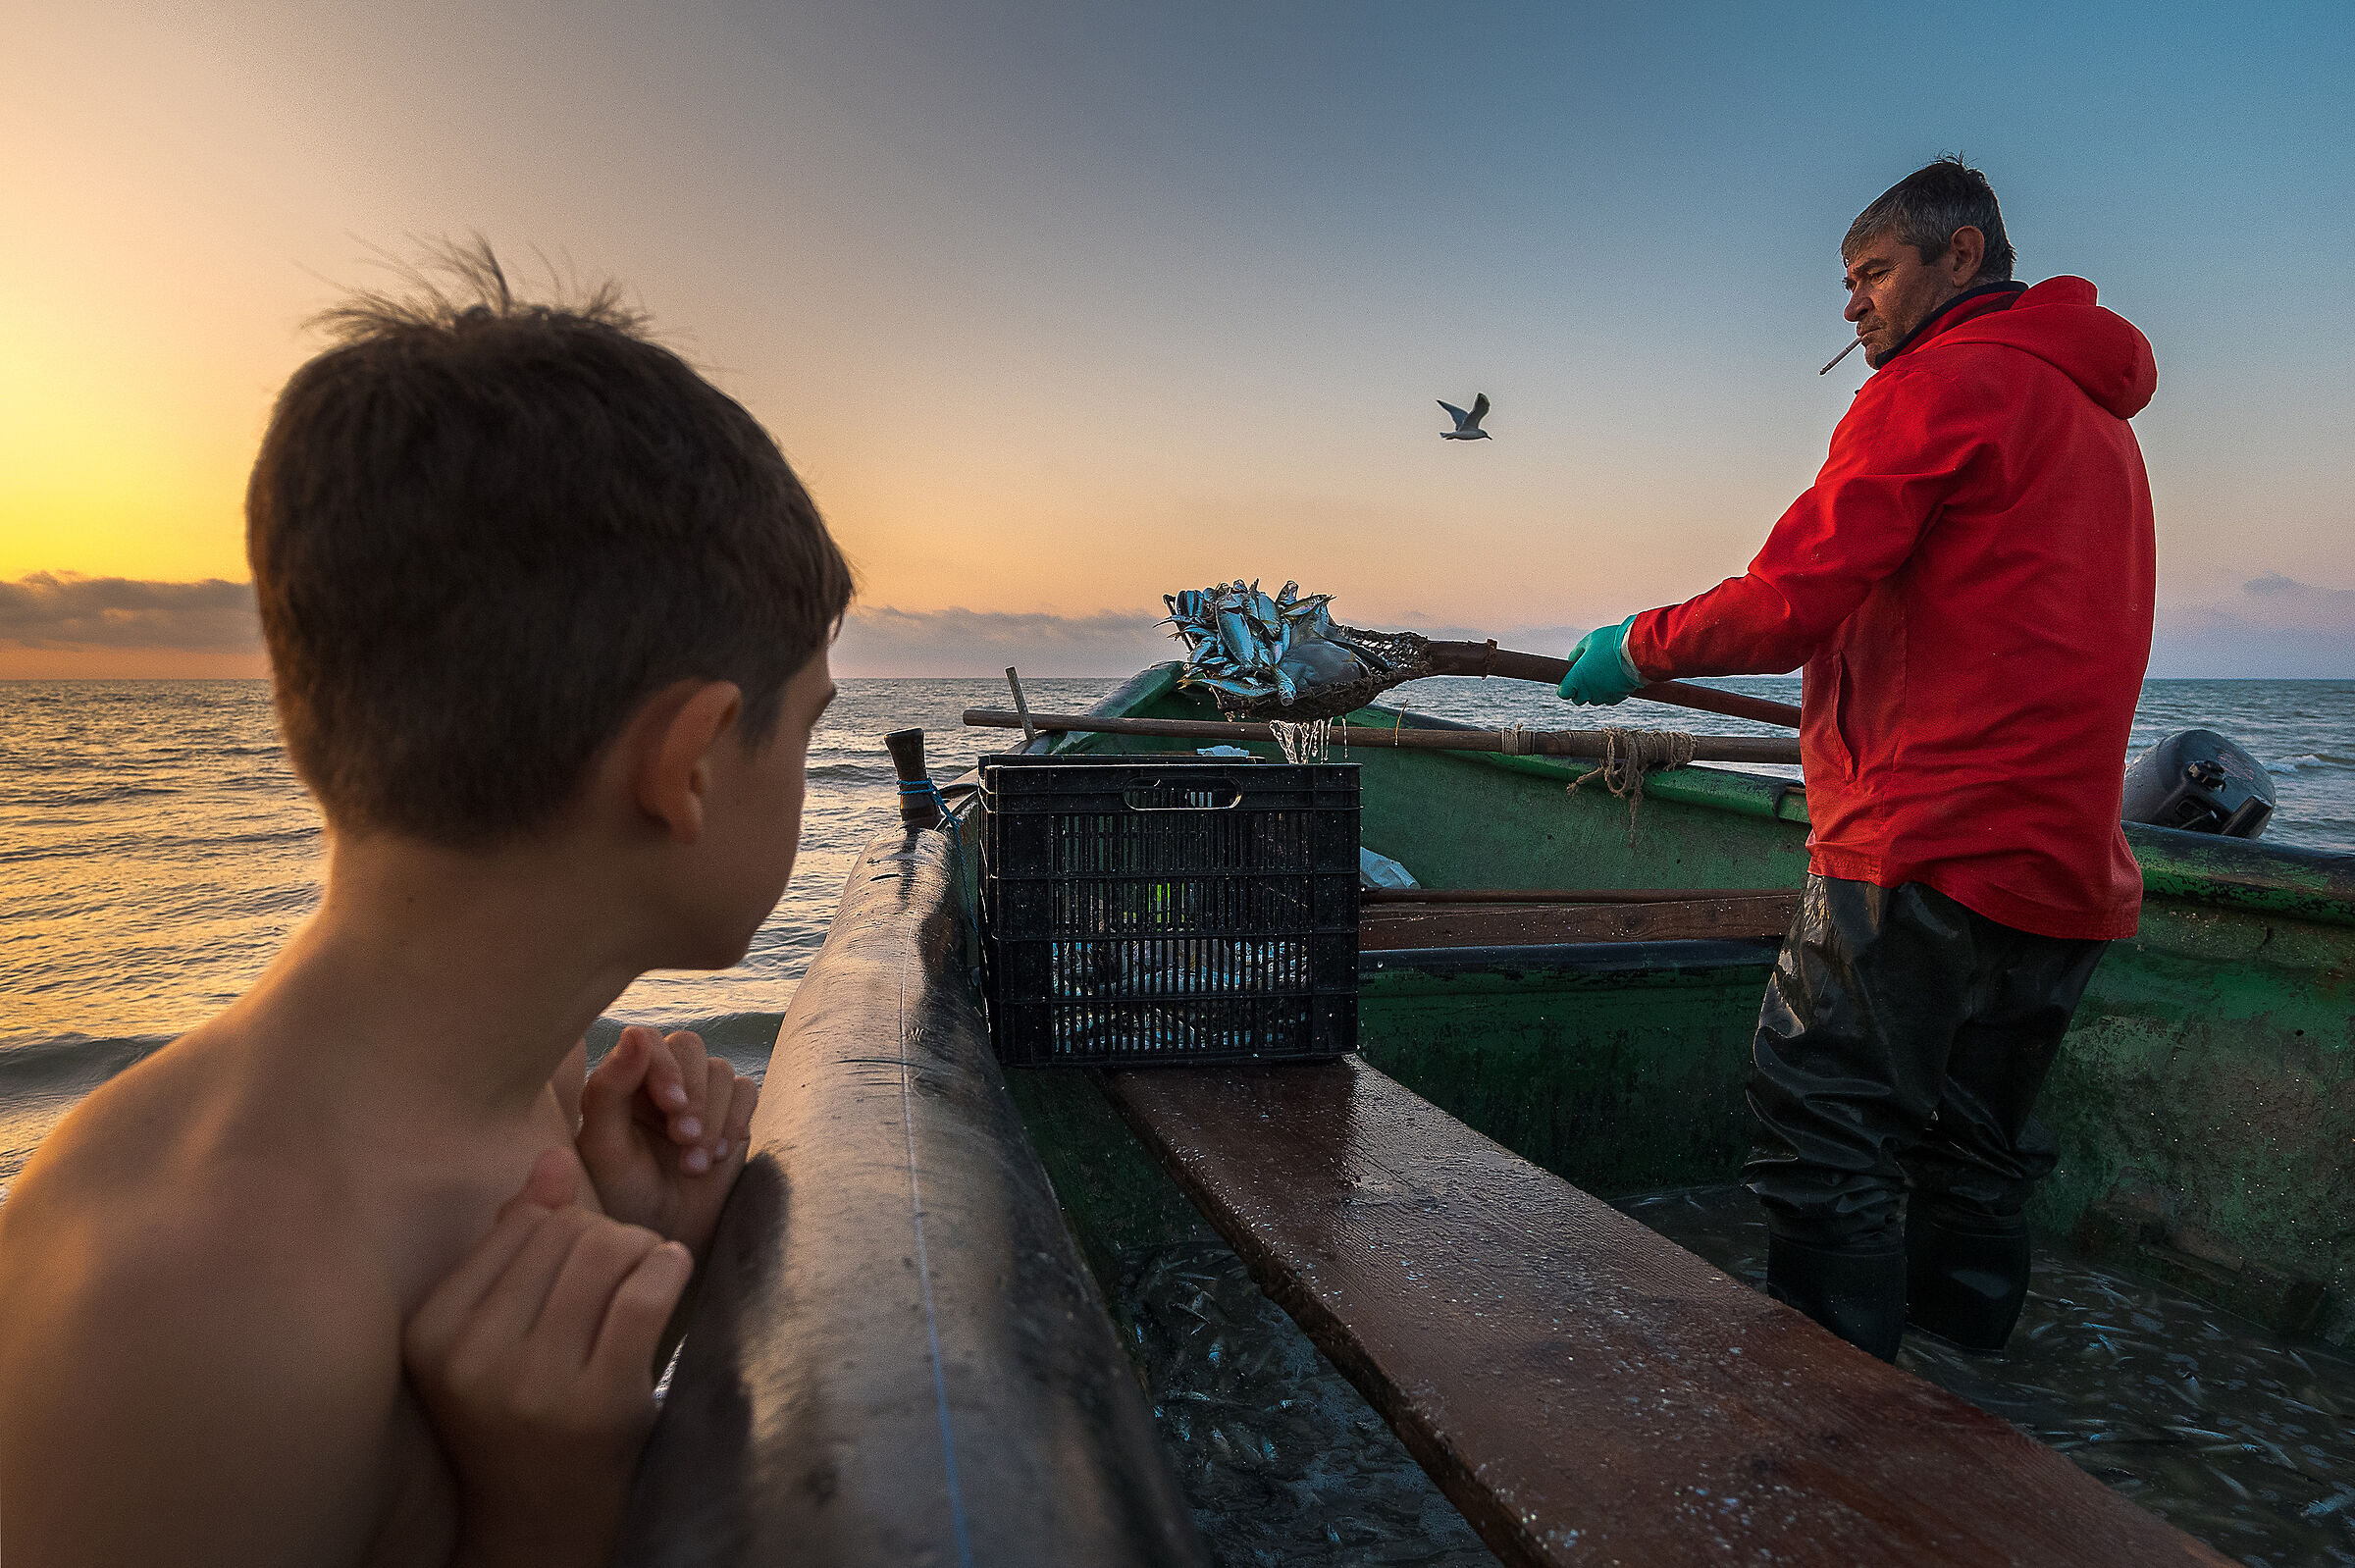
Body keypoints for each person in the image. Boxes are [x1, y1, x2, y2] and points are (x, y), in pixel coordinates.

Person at [0, 248, 855, 1565]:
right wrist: (546, 1510)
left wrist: (639, 1270)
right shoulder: (189, 1316)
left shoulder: (542, 1093)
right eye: (805, 730)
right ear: (687, 765)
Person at [1559, 158, 2156, 1361]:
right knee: (1974, 1143)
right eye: (1845, 281)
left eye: (1873, 274)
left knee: (1821, 1116)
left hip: (1924, 840)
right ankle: (1966, 1418)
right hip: (2067, 864)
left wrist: (1638, 645)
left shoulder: (1938, 386)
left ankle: (1833, 1452)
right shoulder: (2098, 423)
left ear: (1963, 258)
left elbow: (1790, 601)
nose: (1852, 306)